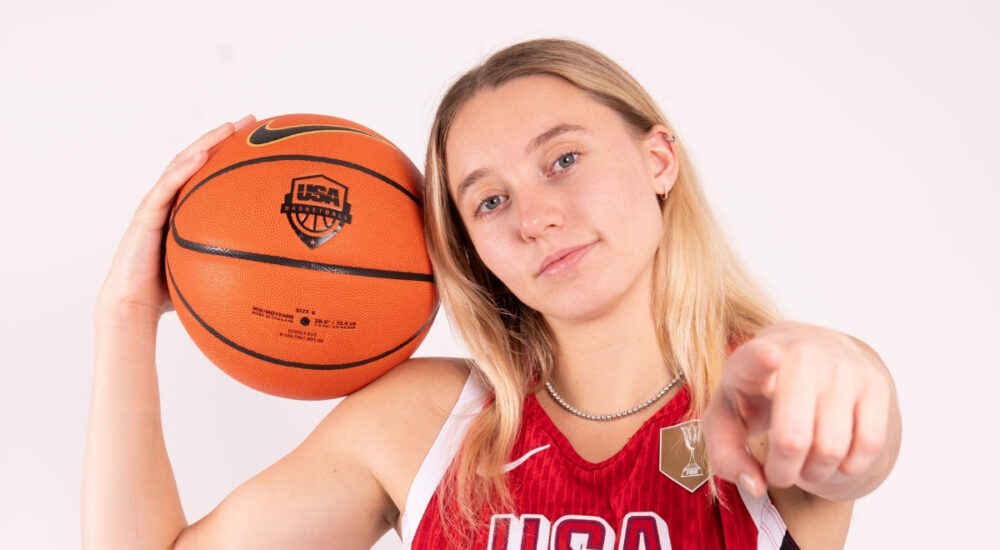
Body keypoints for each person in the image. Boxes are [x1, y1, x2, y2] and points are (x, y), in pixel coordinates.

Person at [83, 39, 901, 550]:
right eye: (490, 200)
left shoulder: (764, 392)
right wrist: (124, 318)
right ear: (470, 248)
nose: (538, 217)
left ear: (658, 161)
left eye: (564, 160)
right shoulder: (425, 428)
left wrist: (839, 370)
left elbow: (848, 415)